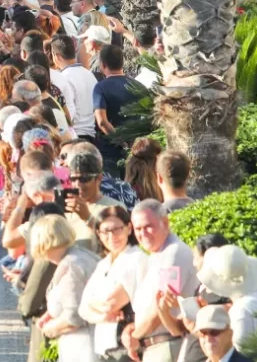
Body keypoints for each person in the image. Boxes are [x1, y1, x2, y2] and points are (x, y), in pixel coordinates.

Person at [123, 199, 201, 361]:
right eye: (138, 229)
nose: (142, 233)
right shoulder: (157, 254)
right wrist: (133, 329)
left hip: (170, 345)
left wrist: (135, 335)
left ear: (164, 222)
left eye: (148, 226)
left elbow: (162, 305)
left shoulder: (173, 254)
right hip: (158, 347)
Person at [78, 206, 147, 361]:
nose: (112, 236)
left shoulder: (135, 258)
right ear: (98, 234)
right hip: (105, 343)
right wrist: (104, 315)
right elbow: (83, 308)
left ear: (129, 229)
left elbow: (111, 303)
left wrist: (95, 304)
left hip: (126, 344)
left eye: (117, 229)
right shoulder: (104, 264)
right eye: (105, 231)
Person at [31, 214, 100, 362]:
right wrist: (50, 314)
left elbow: (74, 317)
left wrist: (51, 328)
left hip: (83, 347)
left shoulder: (70, 266)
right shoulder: (83, 255)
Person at [93, 45, 144, 177]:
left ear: (103, 65)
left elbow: (102, 121)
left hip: (109, 152)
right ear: (122, 63)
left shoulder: (100, 87)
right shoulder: (138, 85)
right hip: (136, 152)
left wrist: (119, 140)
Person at [51, 35, 98, 141]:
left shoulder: (63, 78)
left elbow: (69, 111)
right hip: (92, 135)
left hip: (75, 135)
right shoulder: (90, 74)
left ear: (56, 56)